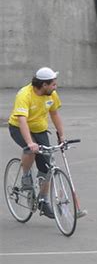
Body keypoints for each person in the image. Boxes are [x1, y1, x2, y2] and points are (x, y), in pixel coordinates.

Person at [9, 67, 66, 219]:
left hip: (40, 129)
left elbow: (54, 113)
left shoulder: (51, 94)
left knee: (47, 166)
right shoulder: (24, 95)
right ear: (44, 85)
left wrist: (62, 136)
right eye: (53, 84)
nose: (55, 87)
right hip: (18, 127)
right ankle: (26, 176)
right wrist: (30, 143)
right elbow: (22, 120)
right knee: (31, 149)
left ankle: (43, 200)